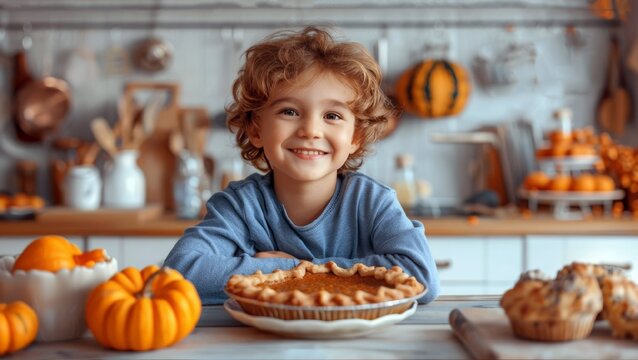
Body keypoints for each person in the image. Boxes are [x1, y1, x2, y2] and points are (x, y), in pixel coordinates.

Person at [164, 26, 440, 305]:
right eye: (290, 112)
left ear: (355, 137)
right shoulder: (240, 206)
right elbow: (180, 272)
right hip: (261, 343)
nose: (311, 130)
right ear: (256, 129)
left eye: (332, 115)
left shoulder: (372, 202)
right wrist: (293, 270)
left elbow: (422, 278)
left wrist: (300, 268)